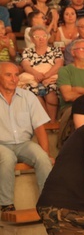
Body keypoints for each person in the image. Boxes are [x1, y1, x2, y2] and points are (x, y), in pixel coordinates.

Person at [0, 61, 53, 212]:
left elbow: (39, 128)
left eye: (16, 75)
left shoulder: (28, 97)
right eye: (8, 75)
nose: (14, 79)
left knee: (43, 158)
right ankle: (6, 204)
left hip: (24, 143)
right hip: (1, 145)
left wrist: (47, 153)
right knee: (7, 158)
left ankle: (47, 202)